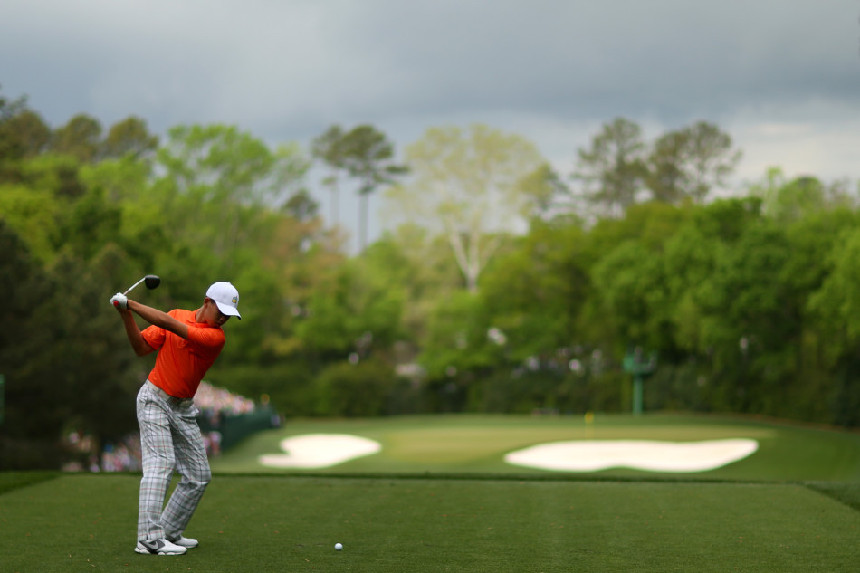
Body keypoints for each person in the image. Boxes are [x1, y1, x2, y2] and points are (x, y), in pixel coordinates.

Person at [110, 281, 242, 556]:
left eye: (229, 314)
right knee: (161, 463)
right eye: (221, 309)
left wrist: (130, 304)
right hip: (154, 400)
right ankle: (148, 539)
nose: (224, 317)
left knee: (199, 475)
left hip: (183, 409)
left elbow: (171, 326)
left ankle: (168, 531)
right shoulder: (176, 314)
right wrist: (125, 315)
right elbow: (141, 347)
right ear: (207, 300)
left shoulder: (215, 337)